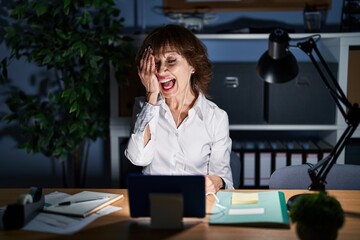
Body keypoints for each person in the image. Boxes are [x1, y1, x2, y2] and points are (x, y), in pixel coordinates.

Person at [125, 24, 234, 193]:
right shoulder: (144, 106)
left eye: (171, 60)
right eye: (155, 63)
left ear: (193, 65)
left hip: (197, 199)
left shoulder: (216, 117)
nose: (161, 70)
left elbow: (224, 178)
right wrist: (152, 96)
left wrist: (215, 182)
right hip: (154, 200)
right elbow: (138, 159)